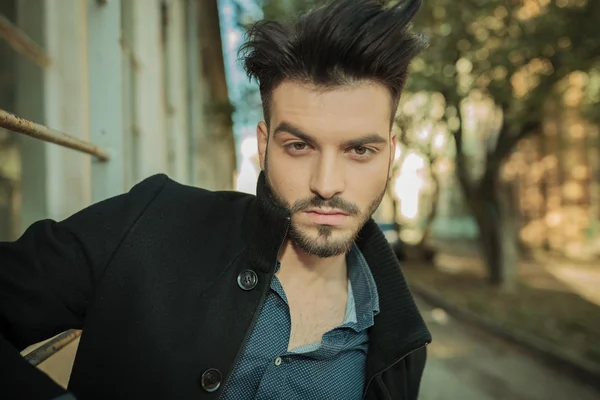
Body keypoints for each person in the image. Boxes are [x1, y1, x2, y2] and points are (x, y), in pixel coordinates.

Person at [0, 0, 431, 398]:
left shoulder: (402, 347)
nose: (326, 183)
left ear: (390, 151)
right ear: (263, 146)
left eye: (359, 151)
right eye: (299, 146)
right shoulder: (151, 222)